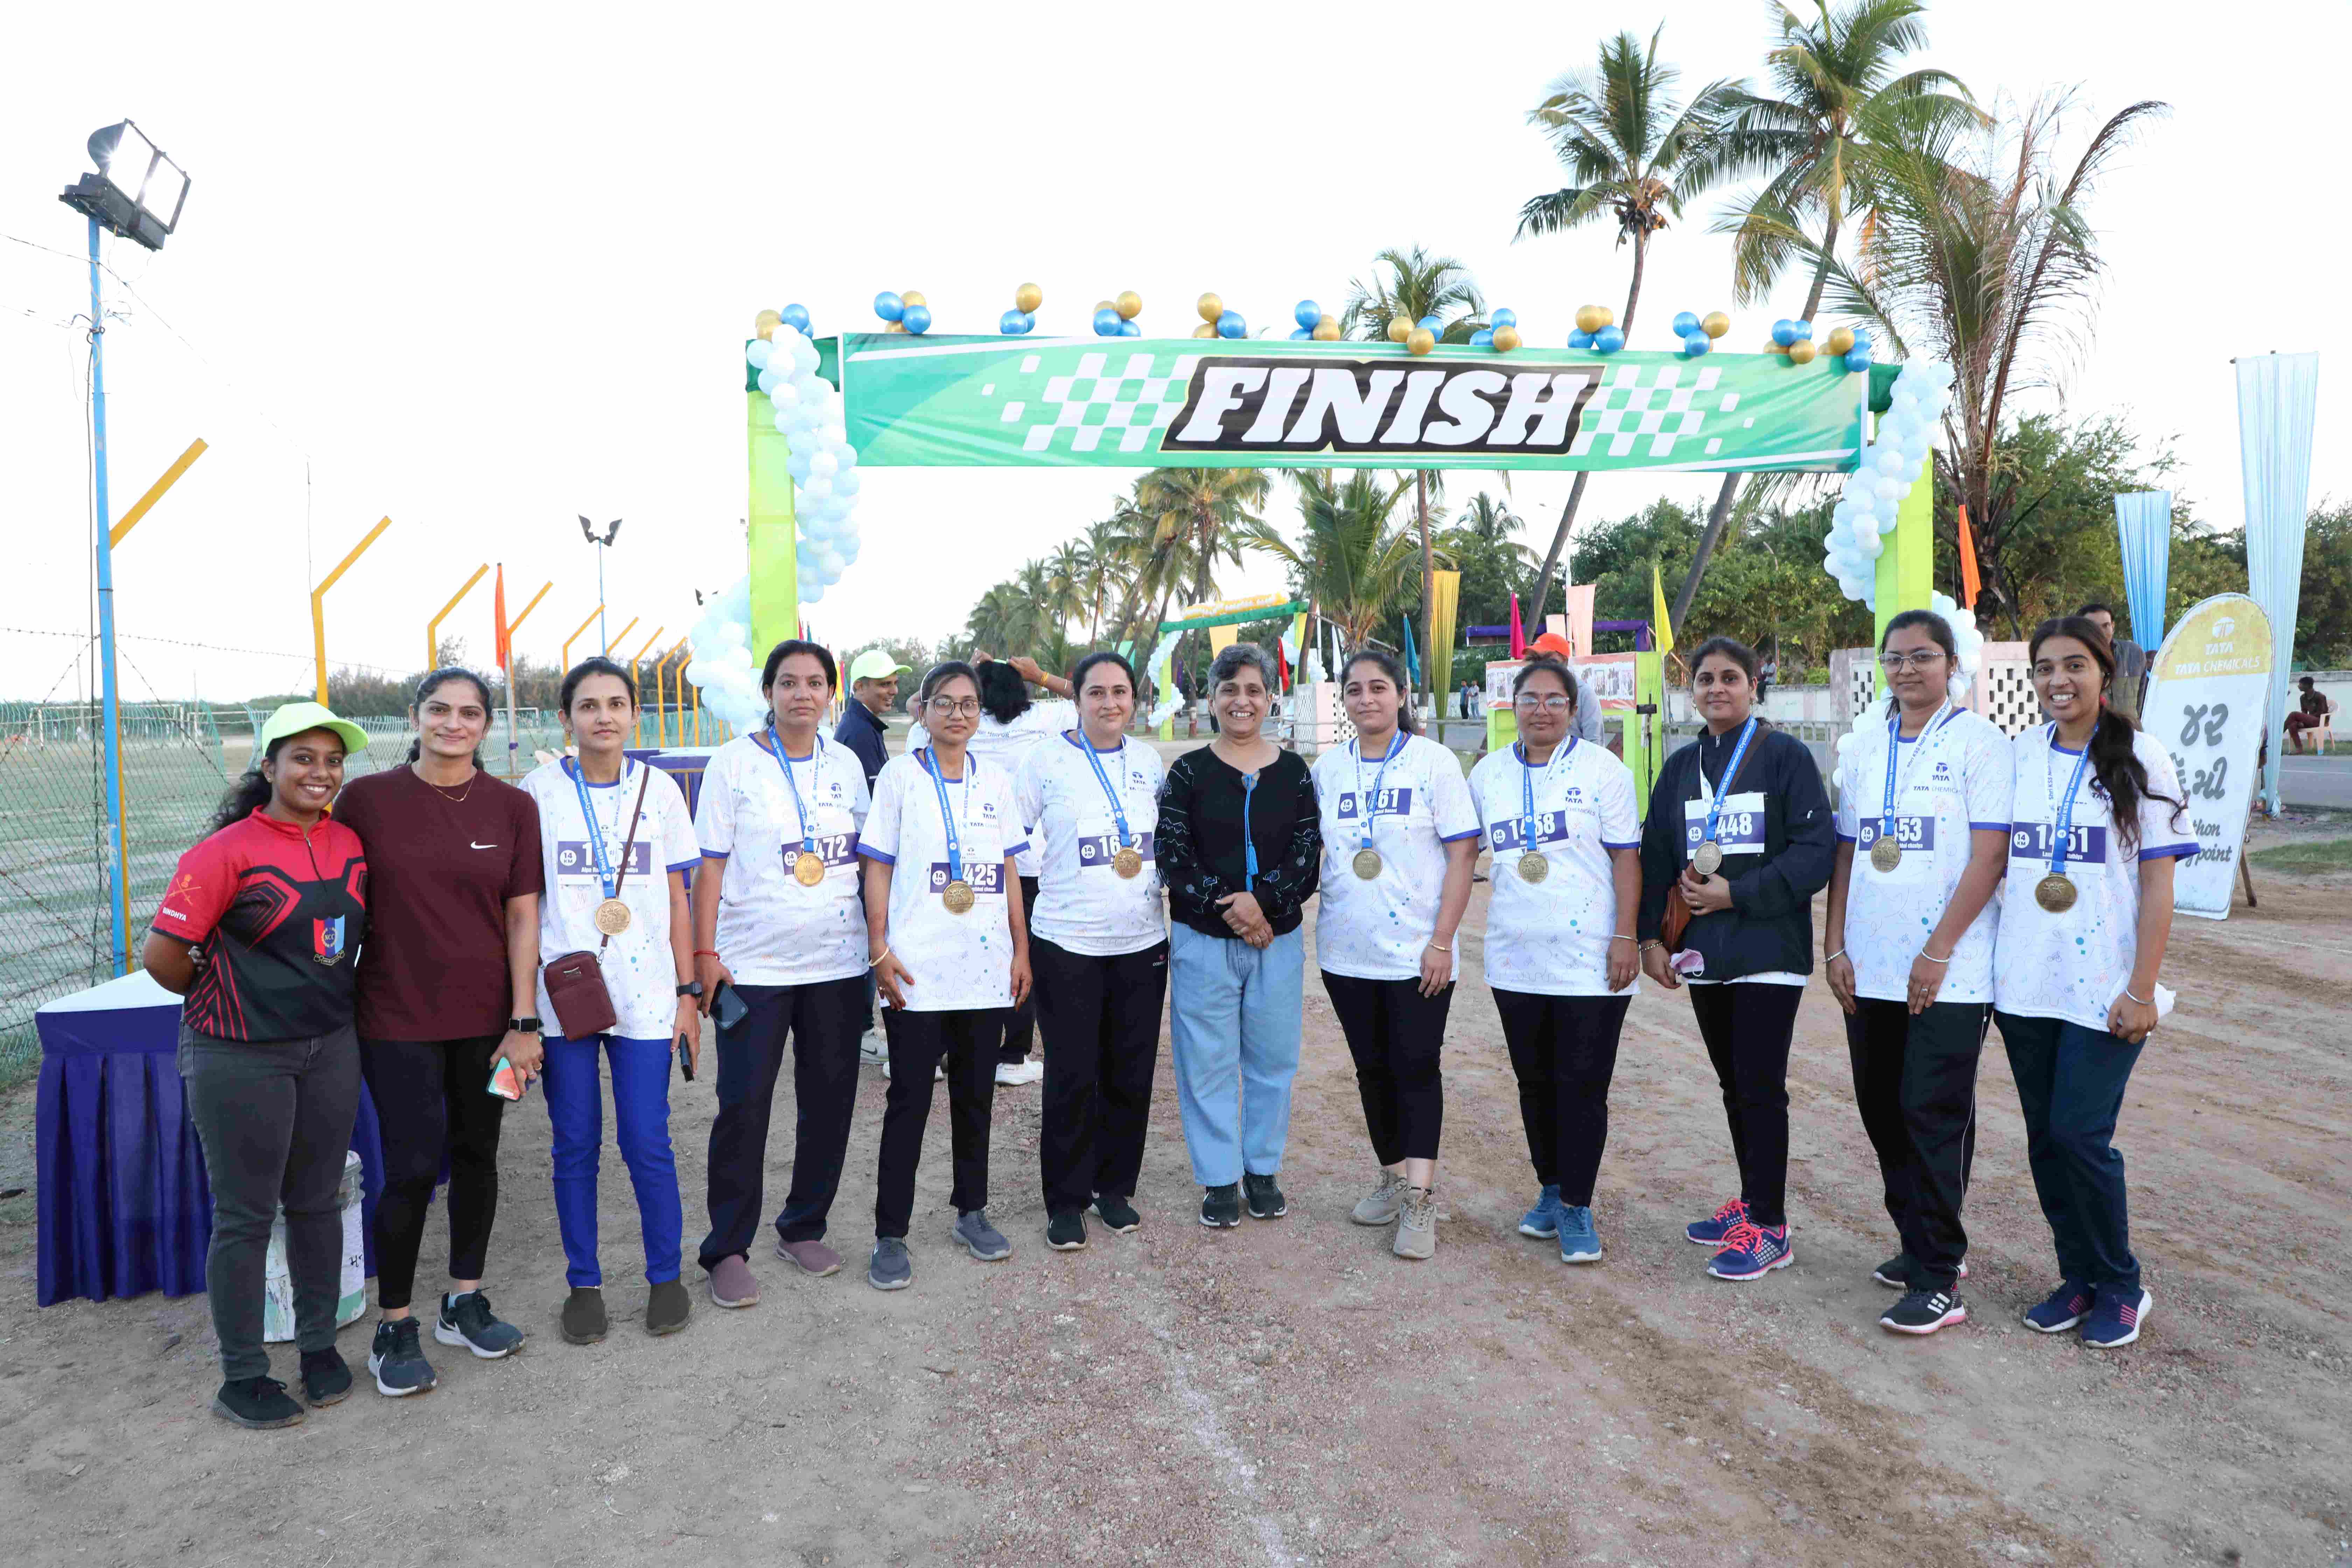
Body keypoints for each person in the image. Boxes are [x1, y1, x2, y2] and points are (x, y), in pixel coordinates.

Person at [144, 702, 371, 1428]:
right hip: (239, 1054)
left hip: (330, 1046)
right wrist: (227, 999)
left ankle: (316, 1348)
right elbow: (162, 956)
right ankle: (242, 1374)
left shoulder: (349, 842)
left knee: (317, 1199)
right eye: (302, 757)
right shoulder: (226, 850)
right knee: (244, 1215)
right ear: (268, 766)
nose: (320, 771)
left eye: (331, 760)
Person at [334, 668, 544, 1397]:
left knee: (478, 1153)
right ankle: (395, 1322)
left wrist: (523, 1020)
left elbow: (523, 917)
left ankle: (464, 1299)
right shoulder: (367, 799)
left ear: (486, 724)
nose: (453, 723)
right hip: (394, 1016)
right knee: (415, 1163)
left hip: (489, 1023)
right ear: (416, 715)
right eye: (439, 709)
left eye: (469, 712)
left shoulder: (513, 807)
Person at [1996, 616, 2196, 1350]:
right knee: (2046, 1142)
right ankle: (2076, 1275)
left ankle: (2121, 1283)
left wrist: (2142, 988)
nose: (2058, 680)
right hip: (2025, 985)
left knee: (2082, 1136)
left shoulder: (2142, 755)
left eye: (2073, 665)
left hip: (2104, 988)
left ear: (2103, 671)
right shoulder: (2021, 756)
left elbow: (2157, 885)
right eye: (2044, 667)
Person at [1823, 612, 2013, 1336]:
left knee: (1932, 1113)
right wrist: (1834, 943)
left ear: (1950, 663)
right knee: (1881, 1108)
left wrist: (1937, 951)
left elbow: (1988, 857)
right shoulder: (1866, 746)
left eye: (1923, 656)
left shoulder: (1980, 744)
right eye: (1895, 658)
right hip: (1869, 966)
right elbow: (1848, 851)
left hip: (1950, 971)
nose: (1907, 670)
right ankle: (1917, 1241)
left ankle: (1939, 1274)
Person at [1637, 636, 1833, 1284]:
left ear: (1755, 686)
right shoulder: (1681, 765)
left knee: (1758, 1086)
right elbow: (1657, 856)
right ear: (1691, 690)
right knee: (1733, 1085)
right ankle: (1750, 1203)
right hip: (1703, 956)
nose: (1717, 688)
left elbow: (1814, 853)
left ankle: (1771, 1228)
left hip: (1768, 954)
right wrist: (1651, 941)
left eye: (1730, 678)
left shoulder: (1785, 757)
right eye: (1705, 679)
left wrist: (1737, 894)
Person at [523, 658, 702, 1345]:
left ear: (634, 714)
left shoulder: (660, 790)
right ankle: (585, 1285)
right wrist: (522, 1009)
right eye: (589, 704)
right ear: (567, 716)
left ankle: (666, 1277)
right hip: (565, 991)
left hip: (649, 990)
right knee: (574, 1143)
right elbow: (524, 905)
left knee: (647, 1139)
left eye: (617, 703)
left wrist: (688, 994)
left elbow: (679, 900)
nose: (604, 715)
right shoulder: (538, 791)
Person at [692, 641, 874, 1304]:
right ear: (768, 692)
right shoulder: (733, 764)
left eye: (816, 683)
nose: (803, 693)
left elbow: (867, 862)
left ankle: (803, 1225)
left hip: (836, 961)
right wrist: (704, 955)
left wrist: (876, 950)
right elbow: (710, 865)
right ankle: (726, 1248)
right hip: (754, 966)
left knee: (829, 1101)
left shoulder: (848, 764)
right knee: (743, 1107)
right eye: (789, 682)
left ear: (831, 693)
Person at [859, 660, 1032, 1290]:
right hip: (917, 971)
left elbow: (1011, 872)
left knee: (975, 1097)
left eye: (968, 704)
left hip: (984, 971)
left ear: (980, 713)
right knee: (908, 1101)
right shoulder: (901, 778)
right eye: (945, 703)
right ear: (922, 710)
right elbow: (877, 868)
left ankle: (972, 1211)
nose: (958, 714)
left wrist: (1021, 949)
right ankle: (891, 1234)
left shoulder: (996, 781)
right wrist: (879, 949)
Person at [1468, 658, 1642, 1266]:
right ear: (1511, 706)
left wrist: (1627, 938)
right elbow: (1462, 854)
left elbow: (1627, 861)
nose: (1541, 710)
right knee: (1534, 1082)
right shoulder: (1487, 774)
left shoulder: (1604, 771)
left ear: (1573, 710)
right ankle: (1549, 1186)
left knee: (1583, 1086)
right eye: (1529, 699)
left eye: (1554, 700)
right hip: (1515, 958)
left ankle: (1577, 1204)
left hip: (1590, 961)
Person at [1313, 648, 1481, 1260]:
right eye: (1354, 690)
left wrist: (1442, 941)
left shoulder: (1434, 762)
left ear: (1402, 694)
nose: (1367, 699)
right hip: (1345, 950)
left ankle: (1419, 1198)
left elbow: (1463, 855)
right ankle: (1390, 1175)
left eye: (1378, 687)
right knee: (1371, 1069)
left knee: (1416, 1067)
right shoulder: (1329, 769)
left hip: (1418, 952)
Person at [1158, 644, 1321, 1228]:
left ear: (1271, 698)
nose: (1242, 701)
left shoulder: (1296, 773)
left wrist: (1265, 906)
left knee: (1273, 1060)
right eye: (1229, 690)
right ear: (1211, 700)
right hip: (1204, 939)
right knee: (1206, 1062)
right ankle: (1219, 1177)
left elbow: (1307, 855)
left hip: (1278, 943)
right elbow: (1172, 856)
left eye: (1253, 690)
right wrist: (1234, 910)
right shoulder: (1188, 772)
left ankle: (1261, 1169)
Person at [1016, 651, 1169, 1250]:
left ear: (1135, 701)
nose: (1110, 703)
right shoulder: (1046, 760)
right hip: (1066, 942)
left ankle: (1114, 1190)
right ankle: (1066, 1199)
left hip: (1141, 941)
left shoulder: (1150, 760)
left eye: (1121, 693)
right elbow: (1010, 838)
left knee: (1129, 1070)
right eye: (1097, 693)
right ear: (1075, 700)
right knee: (1072, 1072)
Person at [908, 653, 1073, 1086]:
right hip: (1027, 862)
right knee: (1021, 957)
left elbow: (914, 709)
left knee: (953, 945)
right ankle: (1014, 1055)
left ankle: (939, 1048)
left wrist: (957, 673)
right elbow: (1085, 695)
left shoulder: (953, 726)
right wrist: (1041, 674)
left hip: (958, 864)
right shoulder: (1042, 718)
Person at [838, 649, 911, 1065]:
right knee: (872, 940)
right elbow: (869, 813)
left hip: (867, 860)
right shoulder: (860, 733)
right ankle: (862, 1031)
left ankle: (861, 1028)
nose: (892, 690)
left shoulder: (866, 727)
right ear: (859, 687)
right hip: (866, 862)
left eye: (894, 682)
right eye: (883, 683)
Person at [2075, 602, 2146, 721]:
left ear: (2113, 626)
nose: (2100, 633)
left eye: (2106, 626)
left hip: (2129, 734)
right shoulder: (2072, 662)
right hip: (2090, 737)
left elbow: (2142, 703)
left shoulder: (2134, 654)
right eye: (2093, 627)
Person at [2286, 675, 2329, 752]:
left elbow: (2322, 713)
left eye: (2300, 684)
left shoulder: (2320, 697)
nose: (2299, 686)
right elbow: (2304, 712)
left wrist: (2306, 718)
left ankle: (2279, 734)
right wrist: (2302, 721)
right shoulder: (2302, 698)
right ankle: (2299, 749)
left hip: (2320, 721)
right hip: (2309, 721)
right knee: (2292, 725)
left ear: (2307, 686)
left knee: (2294, 714)